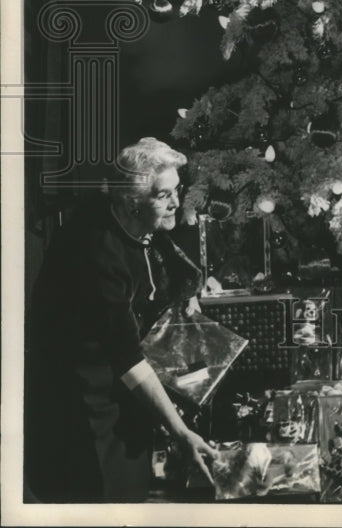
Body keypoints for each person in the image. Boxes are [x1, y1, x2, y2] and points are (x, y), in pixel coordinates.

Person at [25, 137, 219, 502]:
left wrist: (188, 296)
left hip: (120, 400)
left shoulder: (133, 218)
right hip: (81, 413)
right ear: (131, 203)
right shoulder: (96, 253)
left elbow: (165, 267)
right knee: (103, 499)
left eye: (178, 189)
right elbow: (128, 359)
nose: (177, 202)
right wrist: (180, 433)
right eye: (164, 195)